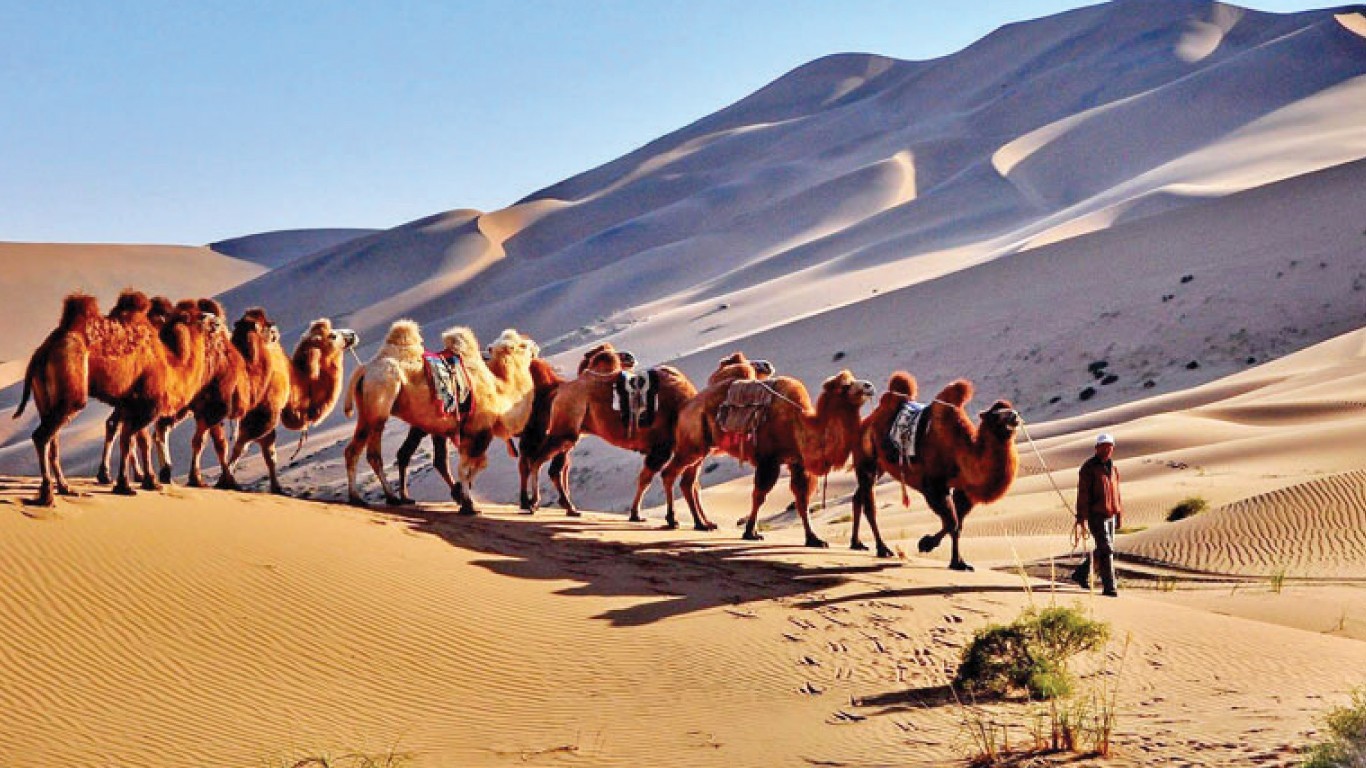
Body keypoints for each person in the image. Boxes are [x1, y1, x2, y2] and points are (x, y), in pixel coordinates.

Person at [1072, 433, 1123, 597]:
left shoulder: (1113, 469)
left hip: (1111, 514)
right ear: (1096, 448)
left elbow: (1117, 493)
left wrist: (1119, 513)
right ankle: (1110, 587)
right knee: (1107, 549)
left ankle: (1081, 573)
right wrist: (1081, 517)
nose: (1107, 449)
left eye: (1110, 446)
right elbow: (1083, 494)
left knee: (1103, 549)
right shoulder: (1088, 468)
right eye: (1103, 446)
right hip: (1096, 515)